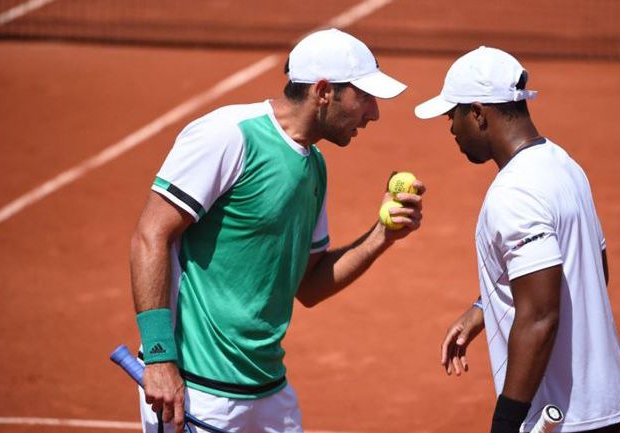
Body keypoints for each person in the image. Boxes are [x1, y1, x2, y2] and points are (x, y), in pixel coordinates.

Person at [130, 28, 424, 433]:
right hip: (197, 389)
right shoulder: (229, 136)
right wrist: (160, 357)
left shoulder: (314, 166)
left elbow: (310, 285)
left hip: (268, 393)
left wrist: (382, 235)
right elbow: (151, 235)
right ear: (323, 91)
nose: (373, 113)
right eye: (365, 97)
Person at [414, 47, 620, 433]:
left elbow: (540, 315)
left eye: (452, 114)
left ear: (478, 113)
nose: (450, 128)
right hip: (600, 404)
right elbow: (595, 269)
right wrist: (484, 307)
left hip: (562, 417)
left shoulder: (514, 193)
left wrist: (506, 422)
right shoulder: (563, 164)